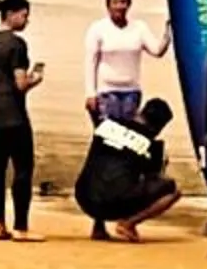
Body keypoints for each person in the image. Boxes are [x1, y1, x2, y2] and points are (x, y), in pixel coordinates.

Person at [0, 0, 46, 241]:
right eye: (24, 15)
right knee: (23, 167)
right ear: (12, 14)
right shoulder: (17, 44)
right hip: (11, 112)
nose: (27, 21)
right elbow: (20, 83)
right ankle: (21, 227)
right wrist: (36, 78)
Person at [75, 97, 182, 242]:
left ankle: (98, 227)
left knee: (102, 170)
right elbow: (153, 179)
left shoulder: (107, 125)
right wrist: (162, 164)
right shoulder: (153, 147)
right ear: (159, 128)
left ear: (140, 113)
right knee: (173, 191)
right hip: (113, 204)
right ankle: (129, 224)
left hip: (84, 197)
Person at [82, 0, 170, 125]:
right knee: (108, 137)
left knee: (127, 136)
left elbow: (157, 51)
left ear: (129, 4)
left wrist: (168, 33)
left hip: (132, 93)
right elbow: (90, 63)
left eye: (123, 2)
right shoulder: (98, 29)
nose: (119, 6)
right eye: (115, 2)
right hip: (106, 93)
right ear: (108, 5)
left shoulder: (139, 28)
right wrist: (90, 94)